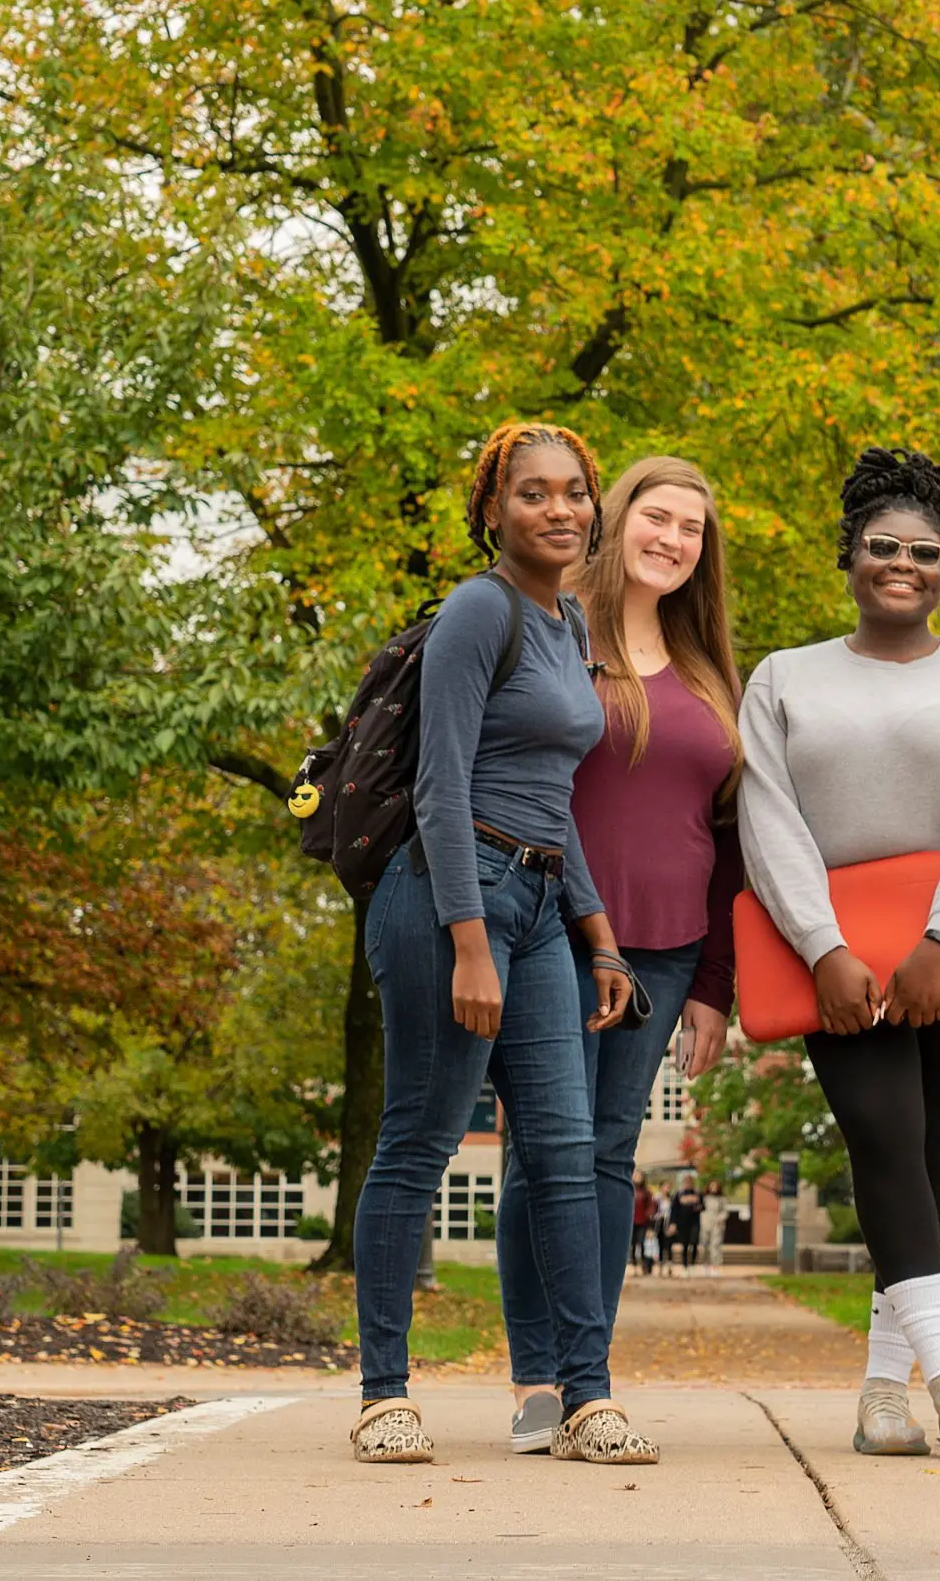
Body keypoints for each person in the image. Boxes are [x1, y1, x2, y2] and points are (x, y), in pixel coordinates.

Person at [348, 420, 657, 1467]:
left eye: (575, 492)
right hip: (451, 894)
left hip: (534, 906)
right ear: (492, 511)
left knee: (566, 1153)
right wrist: (468, 943)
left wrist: (599, 937)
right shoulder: (479, 612)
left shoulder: (568, 622)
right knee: (419, 1145)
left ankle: (585, 1398)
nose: (560, 509)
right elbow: (440, 785)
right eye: (534, 493)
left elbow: (556, 798)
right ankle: (384, 1396)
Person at [738, 447, 940, 1461]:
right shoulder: (783, 678)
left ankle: (880, 1393)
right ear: (849, 552)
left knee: (926, 1147)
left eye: (924, 551)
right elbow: (766, 820)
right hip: (828, 947)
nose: (901, 564)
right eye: (881, 546)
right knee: (878, 1131)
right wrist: (822, 944)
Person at [495, 456, 743, 1453]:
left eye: (691, 528)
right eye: (657, 516)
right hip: (552, 929)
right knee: (540, 1152)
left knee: (603, 1157)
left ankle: (587, 1382)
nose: (672, 538)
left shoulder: (708, 669)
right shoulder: (555, 632)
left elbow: (728, 837)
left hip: (669, 947)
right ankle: (537, 1381)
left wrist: (715, 985)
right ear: (614, 519)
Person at [672, 1179, 705, 1271]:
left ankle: (693, 1263)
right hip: (683, 1223)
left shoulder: (698, 1193)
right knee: (684, 1244)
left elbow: (703, 1206)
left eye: (689, 1182)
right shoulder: (679, 1194)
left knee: (694, 1242)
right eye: (686, 1183)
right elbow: (674, 1209)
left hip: (694, 1222)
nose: (688, 1184)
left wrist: (698, 1207)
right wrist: (674, 1222)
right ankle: (685, 1263)